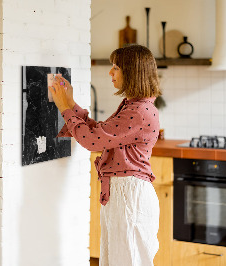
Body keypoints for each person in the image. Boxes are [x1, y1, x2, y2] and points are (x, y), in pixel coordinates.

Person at [49, 44, 161, 266]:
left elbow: (92, 141)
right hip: (124, 195)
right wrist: (70, 104)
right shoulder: (134, 106)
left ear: (132, 72)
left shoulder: (138, 111)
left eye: (116, 67)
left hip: (129, 197)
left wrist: (64, 108)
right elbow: (100, 133)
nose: (111, 73)